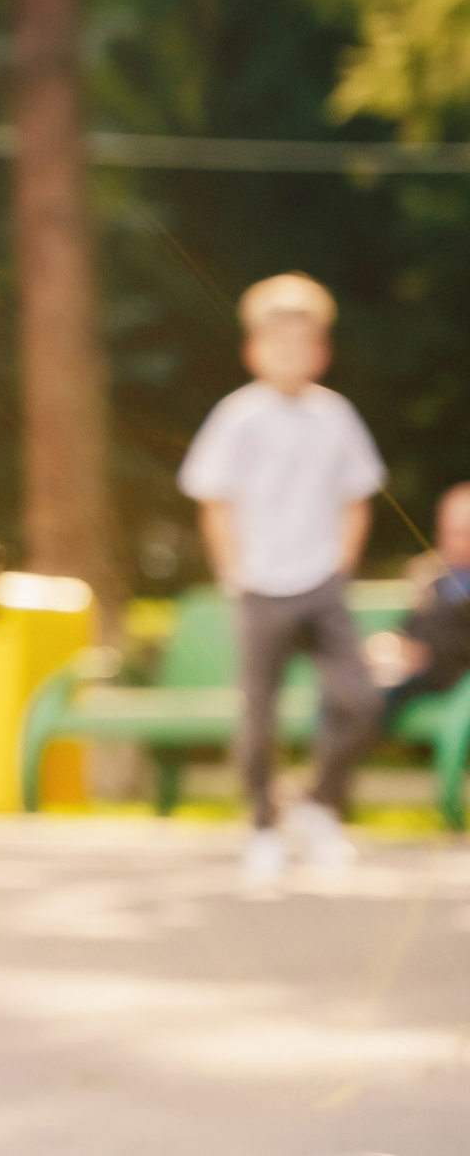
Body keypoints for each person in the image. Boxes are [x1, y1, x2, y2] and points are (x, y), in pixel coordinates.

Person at [180, 272, 385, 883]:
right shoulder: (237, 416)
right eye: (278, 343)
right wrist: (233, 569)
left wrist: (340, 567)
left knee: (360, 700)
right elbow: (215, 499)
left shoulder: (336, 416)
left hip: (321, 582)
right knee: (258, 716)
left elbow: (357, 497)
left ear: (321, 351)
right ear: (254, 351)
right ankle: (264, 828)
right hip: (260, 584)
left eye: (303, 343)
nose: (291, 354)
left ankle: (319, 806)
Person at [379, 482, 470, 721]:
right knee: (353, 683)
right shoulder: (437, 580)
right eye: (445, 532)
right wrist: (392, 645)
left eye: (461, 533)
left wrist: (427, 655)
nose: (451, 542)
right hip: (409, 674)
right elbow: (411, 627)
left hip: (449, 682)